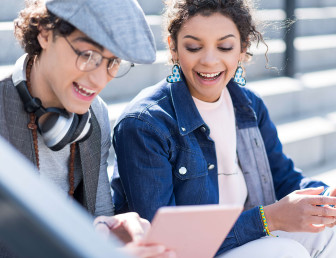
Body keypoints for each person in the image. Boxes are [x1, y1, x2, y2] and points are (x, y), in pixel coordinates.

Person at [111, 0, 336, 257]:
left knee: (327, 230)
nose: (209, 60)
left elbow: (284, 179)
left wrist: (328, 200)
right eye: (193, 47)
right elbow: (162, 242)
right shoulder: (145, 123)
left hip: (243, 238)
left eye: (225, 46)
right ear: (173, 48)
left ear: (242, 49)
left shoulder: (248, 105)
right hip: (187, 252)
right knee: (283, 251)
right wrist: (267, 219)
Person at [0, 0, 174, 257]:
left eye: (113, 61)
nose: (99, 79)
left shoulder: (97, 113)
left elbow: (99, 212)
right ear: (46, 33)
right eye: (87, 55)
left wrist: (111, 233)